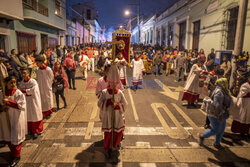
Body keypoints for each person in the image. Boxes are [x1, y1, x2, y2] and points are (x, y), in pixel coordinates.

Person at [0, 76, 27, 167]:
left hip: (16, 118)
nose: (13, 84)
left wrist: (9, 102)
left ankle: (16, 156)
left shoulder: (18, 93)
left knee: (16, 136)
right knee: (8, 136)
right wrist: (2, 107)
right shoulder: (1, 93)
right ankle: (13, 153)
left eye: (14, 82)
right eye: (11, 82)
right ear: (5, 84)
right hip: (5, 118)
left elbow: (21, 106)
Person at [199, 78, 231, 149]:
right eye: (226, 83)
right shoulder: (219, 92)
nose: (227, 84)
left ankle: (217, 142)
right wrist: (219, 115)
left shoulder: (223, 90)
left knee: (221, 129)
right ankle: (203, 136)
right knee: (216, 129)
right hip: (216, 114)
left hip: (222, 113)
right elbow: (217, 105)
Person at [98, 83, 128, 160]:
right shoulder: (104, 92)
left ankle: (114, 147)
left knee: (118, 133)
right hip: (108, 117)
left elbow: (125, 104)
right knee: (108, 134)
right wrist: (107, 103)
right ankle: (108, 149)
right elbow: (99, 103)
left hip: (118, 117)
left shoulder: (119, 92)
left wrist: (117, 105)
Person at [19, 68, 43, 139]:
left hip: (33, 101)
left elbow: (34, 90)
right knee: (28, 116)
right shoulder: (21, 82)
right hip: (26, 101)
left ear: (28, 73)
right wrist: (24, 91)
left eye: (24, 73)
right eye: (22, 73)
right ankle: (30, 130)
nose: (23, 75)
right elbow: (20, 90)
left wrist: (25, 91)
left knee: (35, 115)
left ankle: (36, 130)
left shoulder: (33, 81)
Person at [231, 69, 250, 137]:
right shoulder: (245, 85)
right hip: (244, 103)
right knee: (243, 117)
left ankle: (246, 132)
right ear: (248, 78)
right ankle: (241, 132)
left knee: (247, 118)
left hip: (248, 104)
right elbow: (241, 94)